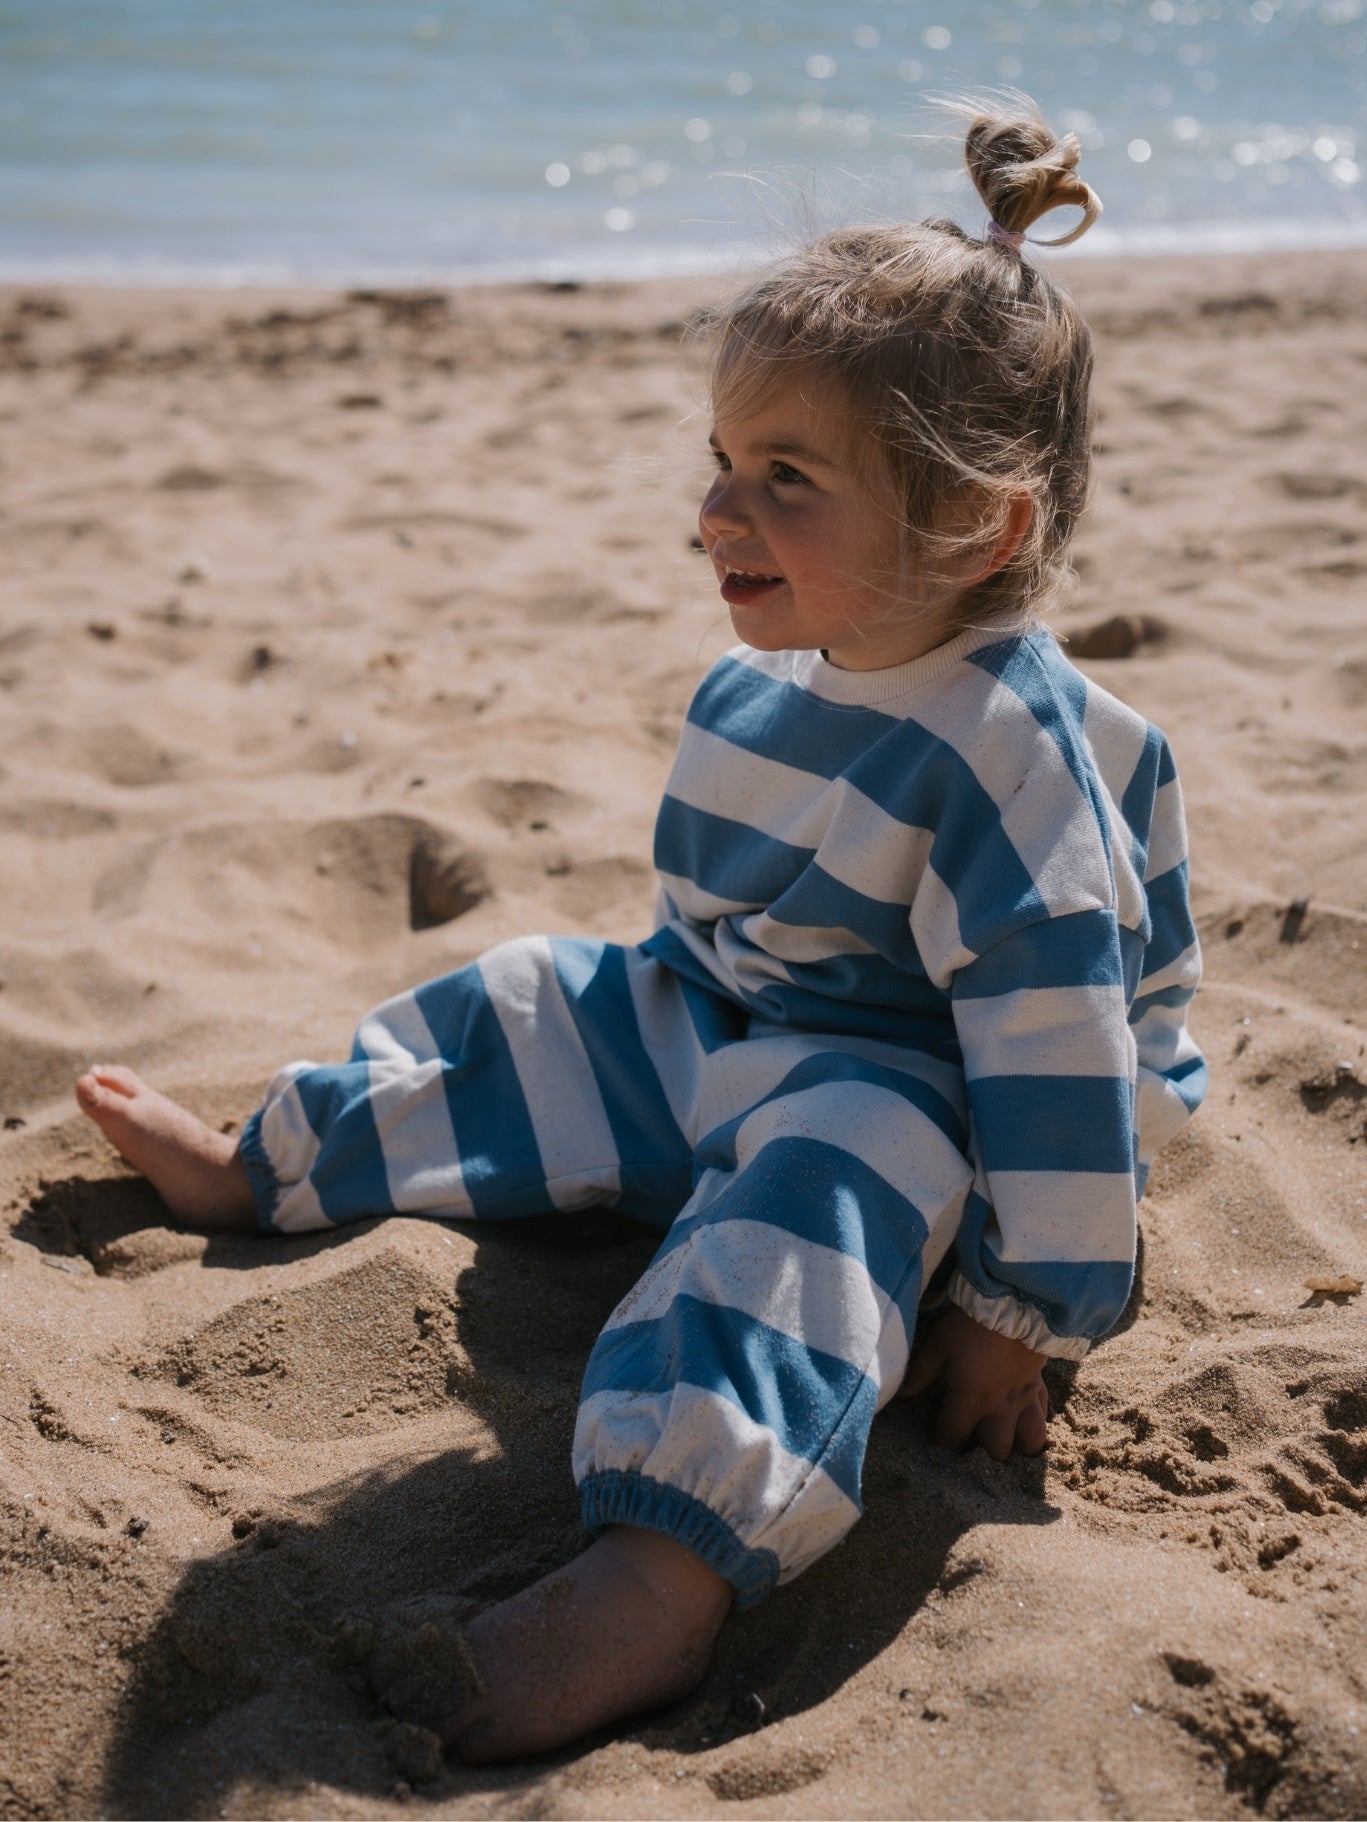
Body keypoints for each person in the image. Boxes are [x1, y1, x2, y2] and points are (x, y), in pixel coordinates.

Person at [75, 101, 1206, 1764]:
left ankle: (662, 1575)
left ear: (978, 524)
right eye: (723, 464)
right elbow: (712, 936)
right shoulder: (788, 668)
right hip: (732, 1020)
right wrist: (658, 1017)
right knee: (536, 1001)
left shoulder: (1007, 760)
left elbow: (1060, 1049)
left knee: (819, 1199)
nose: (721, 511)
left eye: (788, 479)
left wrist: (1016, 1313)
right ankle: (278, 1161)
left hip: (921, 1096)